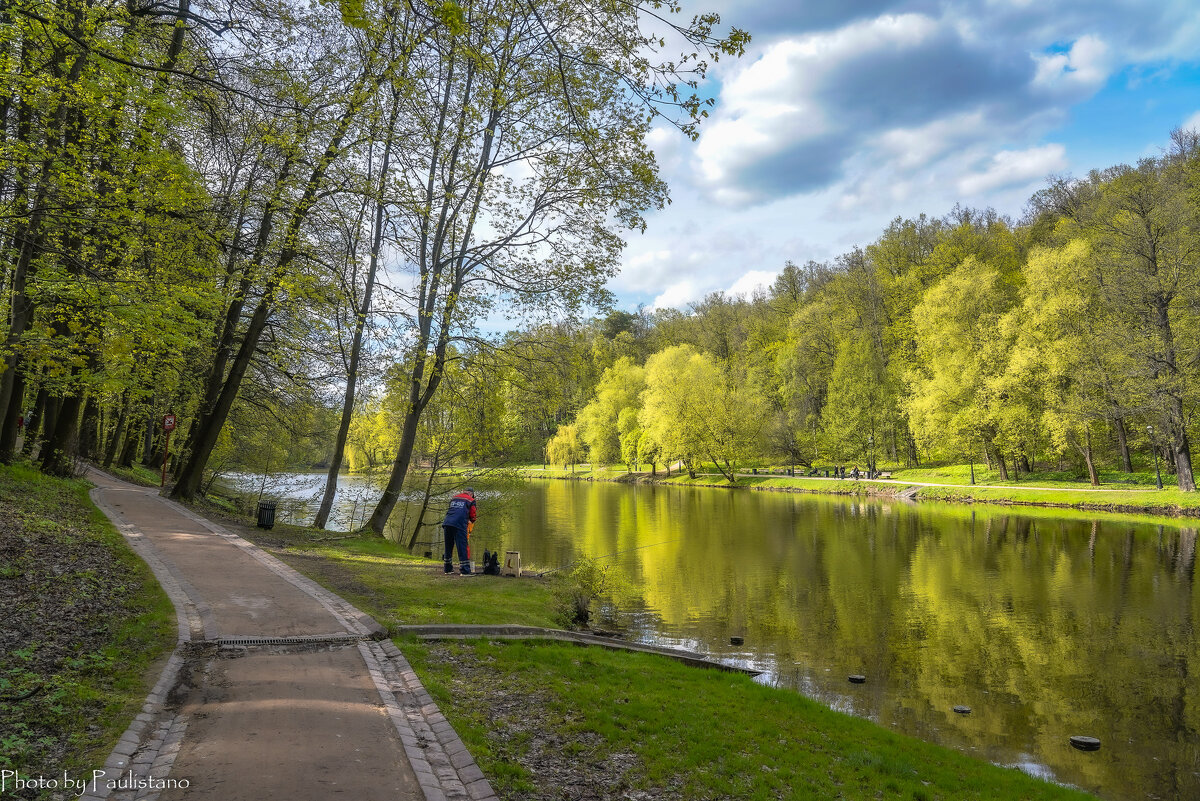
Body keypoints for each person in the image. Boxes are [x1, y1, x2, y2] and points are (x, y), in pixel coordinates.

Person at [442, 487, 477, 574]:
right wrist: (471, 521)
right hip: (459, 524)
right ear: (471, 494)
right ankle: (465, 571)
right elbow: (473, 514)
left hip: (447, 522)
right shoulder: (471, 500)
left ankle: (447, 569)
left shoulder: (454, 498)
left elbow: (453, 510)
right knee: (462, 546)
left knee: (448, 546)